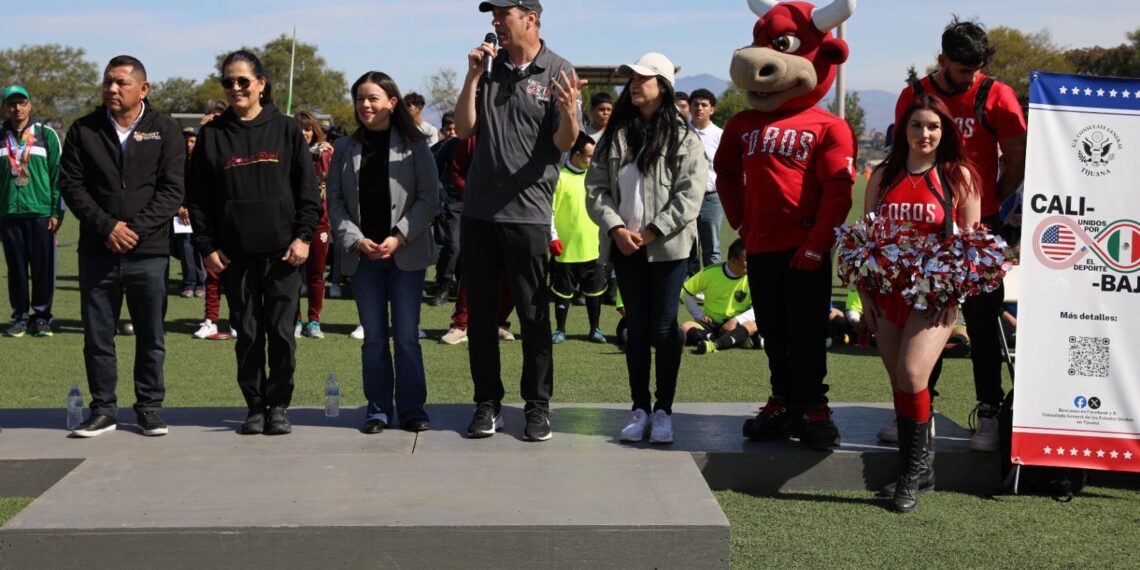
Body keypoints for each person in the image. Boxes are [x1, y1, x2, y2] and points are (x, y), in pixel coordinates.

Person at [893, 16, 1027, 452]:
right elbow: (902, 153)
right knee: (924, 318)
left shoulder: (997, 95)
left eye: (976, 68)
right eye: (962, 68)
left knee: (984, 323)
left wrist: (991, 204)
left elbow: (1018, 156)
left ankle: (988, 411)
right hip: (928, 228)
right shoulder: (914, 95)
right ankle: (921, 410)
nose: (971, 76)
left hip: (978, 229)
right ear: (943, 58)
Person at [455, 0, 583, 441]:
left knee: (532, 315)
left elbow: (564, 142)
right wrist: (472, 75)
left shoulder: (559, 70)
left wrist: (569, 111)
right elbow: (464, 128)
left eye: (502, 14)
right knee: (482, 317)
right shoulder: (487, 67)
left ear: (530, 18)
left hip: (528, 214)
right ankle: (487, 403)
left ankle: (537, 405)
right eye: (492, 16)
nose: (495, 22)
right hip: (478, 213)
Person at [187, 50, 321, 436]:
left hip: (283, 254)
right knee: (246, 334)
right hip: (234, 256)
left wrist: (303, 237)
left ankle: (279, 404)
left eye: (243, 80)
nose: (235, 88)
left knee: (280, 334)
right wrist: (206, 246)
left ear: (261, 83)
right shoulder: (212, 134)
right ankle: (255, 405)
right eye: (228, 82)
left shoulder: (286, 129)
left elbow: (307, 192)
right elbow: (198, 199)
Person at [860, 94, 981, 513]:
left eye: (933, 126)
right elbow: (866, 240)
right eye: (917, 126)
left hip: (934, 296)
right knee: (900, 379)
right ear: (903, 131)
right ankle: (921, 466)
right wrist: (864, 295)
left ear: (944, 131)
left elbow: (971, 244)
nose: (924, 134)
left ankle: (911, 472)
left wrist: (954, 294)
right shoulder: (883, 174)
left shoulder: (958, 175)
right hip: (886, 291)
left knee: (913, 372)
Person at [59, 55, 185, 437]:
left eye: (120, 83)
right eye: (107, 82)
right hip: (98, 251)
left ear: (143, 89)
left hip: (149, 253)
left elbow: (172, 189)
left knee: (151, 335)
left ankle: (148, 407)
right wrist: (107, 227)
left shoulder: (165, 129)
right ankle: (103, 410)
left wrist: (134, 230)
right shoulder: (84, 130)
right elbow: (72, 186)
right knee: (98, 335)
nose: (111, 89)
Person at [586, 52, 706, 444]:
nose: (635, 84)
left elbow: (691, 195)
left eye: (645, 78)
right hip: (625, 247)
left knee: (663, 327)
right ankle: (639, 409)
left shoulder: (684, 137)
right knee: (636, 329)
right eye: (632, 78)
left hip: (668, 249)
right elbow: (596, 189)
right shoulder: (615, 135)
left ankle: (663, 410)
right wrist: (617, 228)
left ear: (664, 87)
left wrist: (653, 230)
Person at [326, 71, 438, 434]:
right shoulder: (343, 148)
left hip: (405, 255)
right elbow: (336, 203)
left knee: (406, 336)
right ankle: (377, 410)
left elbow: (429, 198)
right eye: (360, 98)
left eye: (373, 98)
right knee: (373, 338)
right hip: (363, 258)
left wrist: (400, 236)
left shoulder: (415, 144)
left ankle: (412, 410)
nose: (366, 105)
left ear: (392, 102)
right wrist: (356, 239)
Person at [1, 85, 62, 338]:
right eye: (12, 103)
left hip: (40, 213)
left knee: (42, 268)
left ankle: (42, 317)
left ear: (30, 105)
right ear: (5, 107)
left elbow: (58, 176)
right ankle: (20, 317)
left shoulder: (46, 135)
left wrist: (56, 212)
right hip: (8, 215)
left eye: (22, 102)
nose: (17, 108)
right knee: (15, 269)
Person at [550, 132, 605, 344]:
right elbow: (550, 211)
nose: (593, 161)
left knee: (595, 292)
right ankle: (560, 329)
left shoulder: (596, 179)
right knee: (563, 293)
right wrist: (553, 237)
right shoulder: (559, 177)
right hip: (566, 249)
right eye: (590, 156)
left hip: (593, 248)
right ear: (576, 155)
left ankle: (595, 329)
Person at [292, 110, 334, 339]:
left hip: (321, 222)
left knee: (316, 273)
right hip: (293, 222)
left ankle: (314, 321)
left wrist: (324, 154)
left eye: (308, 128)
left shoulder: (325, 154)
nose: (304, 133)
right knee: (293, 273)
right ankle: (295, 319)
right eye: (299, 128)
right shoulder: (287, 153)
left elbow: (333, 180)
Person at [680, 239, 756, 355]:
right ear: (732, 260)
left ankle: (715, 344)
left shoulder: (755, 277)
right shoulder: (710, 273)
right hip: (711, 323)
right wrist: (699, 315)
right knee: (684, 327)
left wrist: (736, 320)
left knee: (753, 325)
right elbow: (686, 292)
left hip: (737, 324)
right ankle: (734, 339)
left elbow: (759, 307)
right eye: (747, 259)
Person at [688, 89, 723, 269]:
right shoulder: (681, 133)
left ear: (712, 110)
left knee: (712, 249)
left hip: (711, 198)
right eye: (695, 104)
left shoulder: (720, 135)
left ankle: (713, 292)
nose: (699, 108)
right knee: (688, 248)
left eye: (704, 105)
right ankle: (688, 292)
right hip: (685, 198)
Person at [173, 127, 205, 299]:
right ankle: (189, 283)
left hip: (199, 214)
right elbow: (172, 187)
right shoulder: (176, 163)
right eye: (186, 142)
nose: (189, 145)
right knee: (185, 249)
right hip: (181, 215)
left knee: (200, 249)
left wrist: (193, 211)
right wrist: (180, 208)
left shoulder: (204, 163)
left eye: (192, 141)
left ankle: (202, 283)